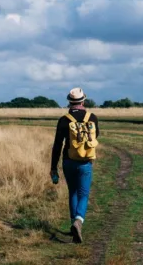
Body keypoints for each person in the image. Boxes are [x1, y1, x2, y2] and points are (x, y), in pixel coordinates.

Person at [50, 87, 100, 243]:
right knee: (83, 194)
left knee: (72, 192)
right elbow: (95, 137)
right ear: (83, 100)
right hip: (85, 162)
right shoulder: (92, 118)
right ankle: (79, 221)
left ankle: (74, 224)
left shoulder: (64, 120)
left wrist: (53, 167)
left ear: (69, 102)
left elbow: (57, 145)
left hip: (68, 161)